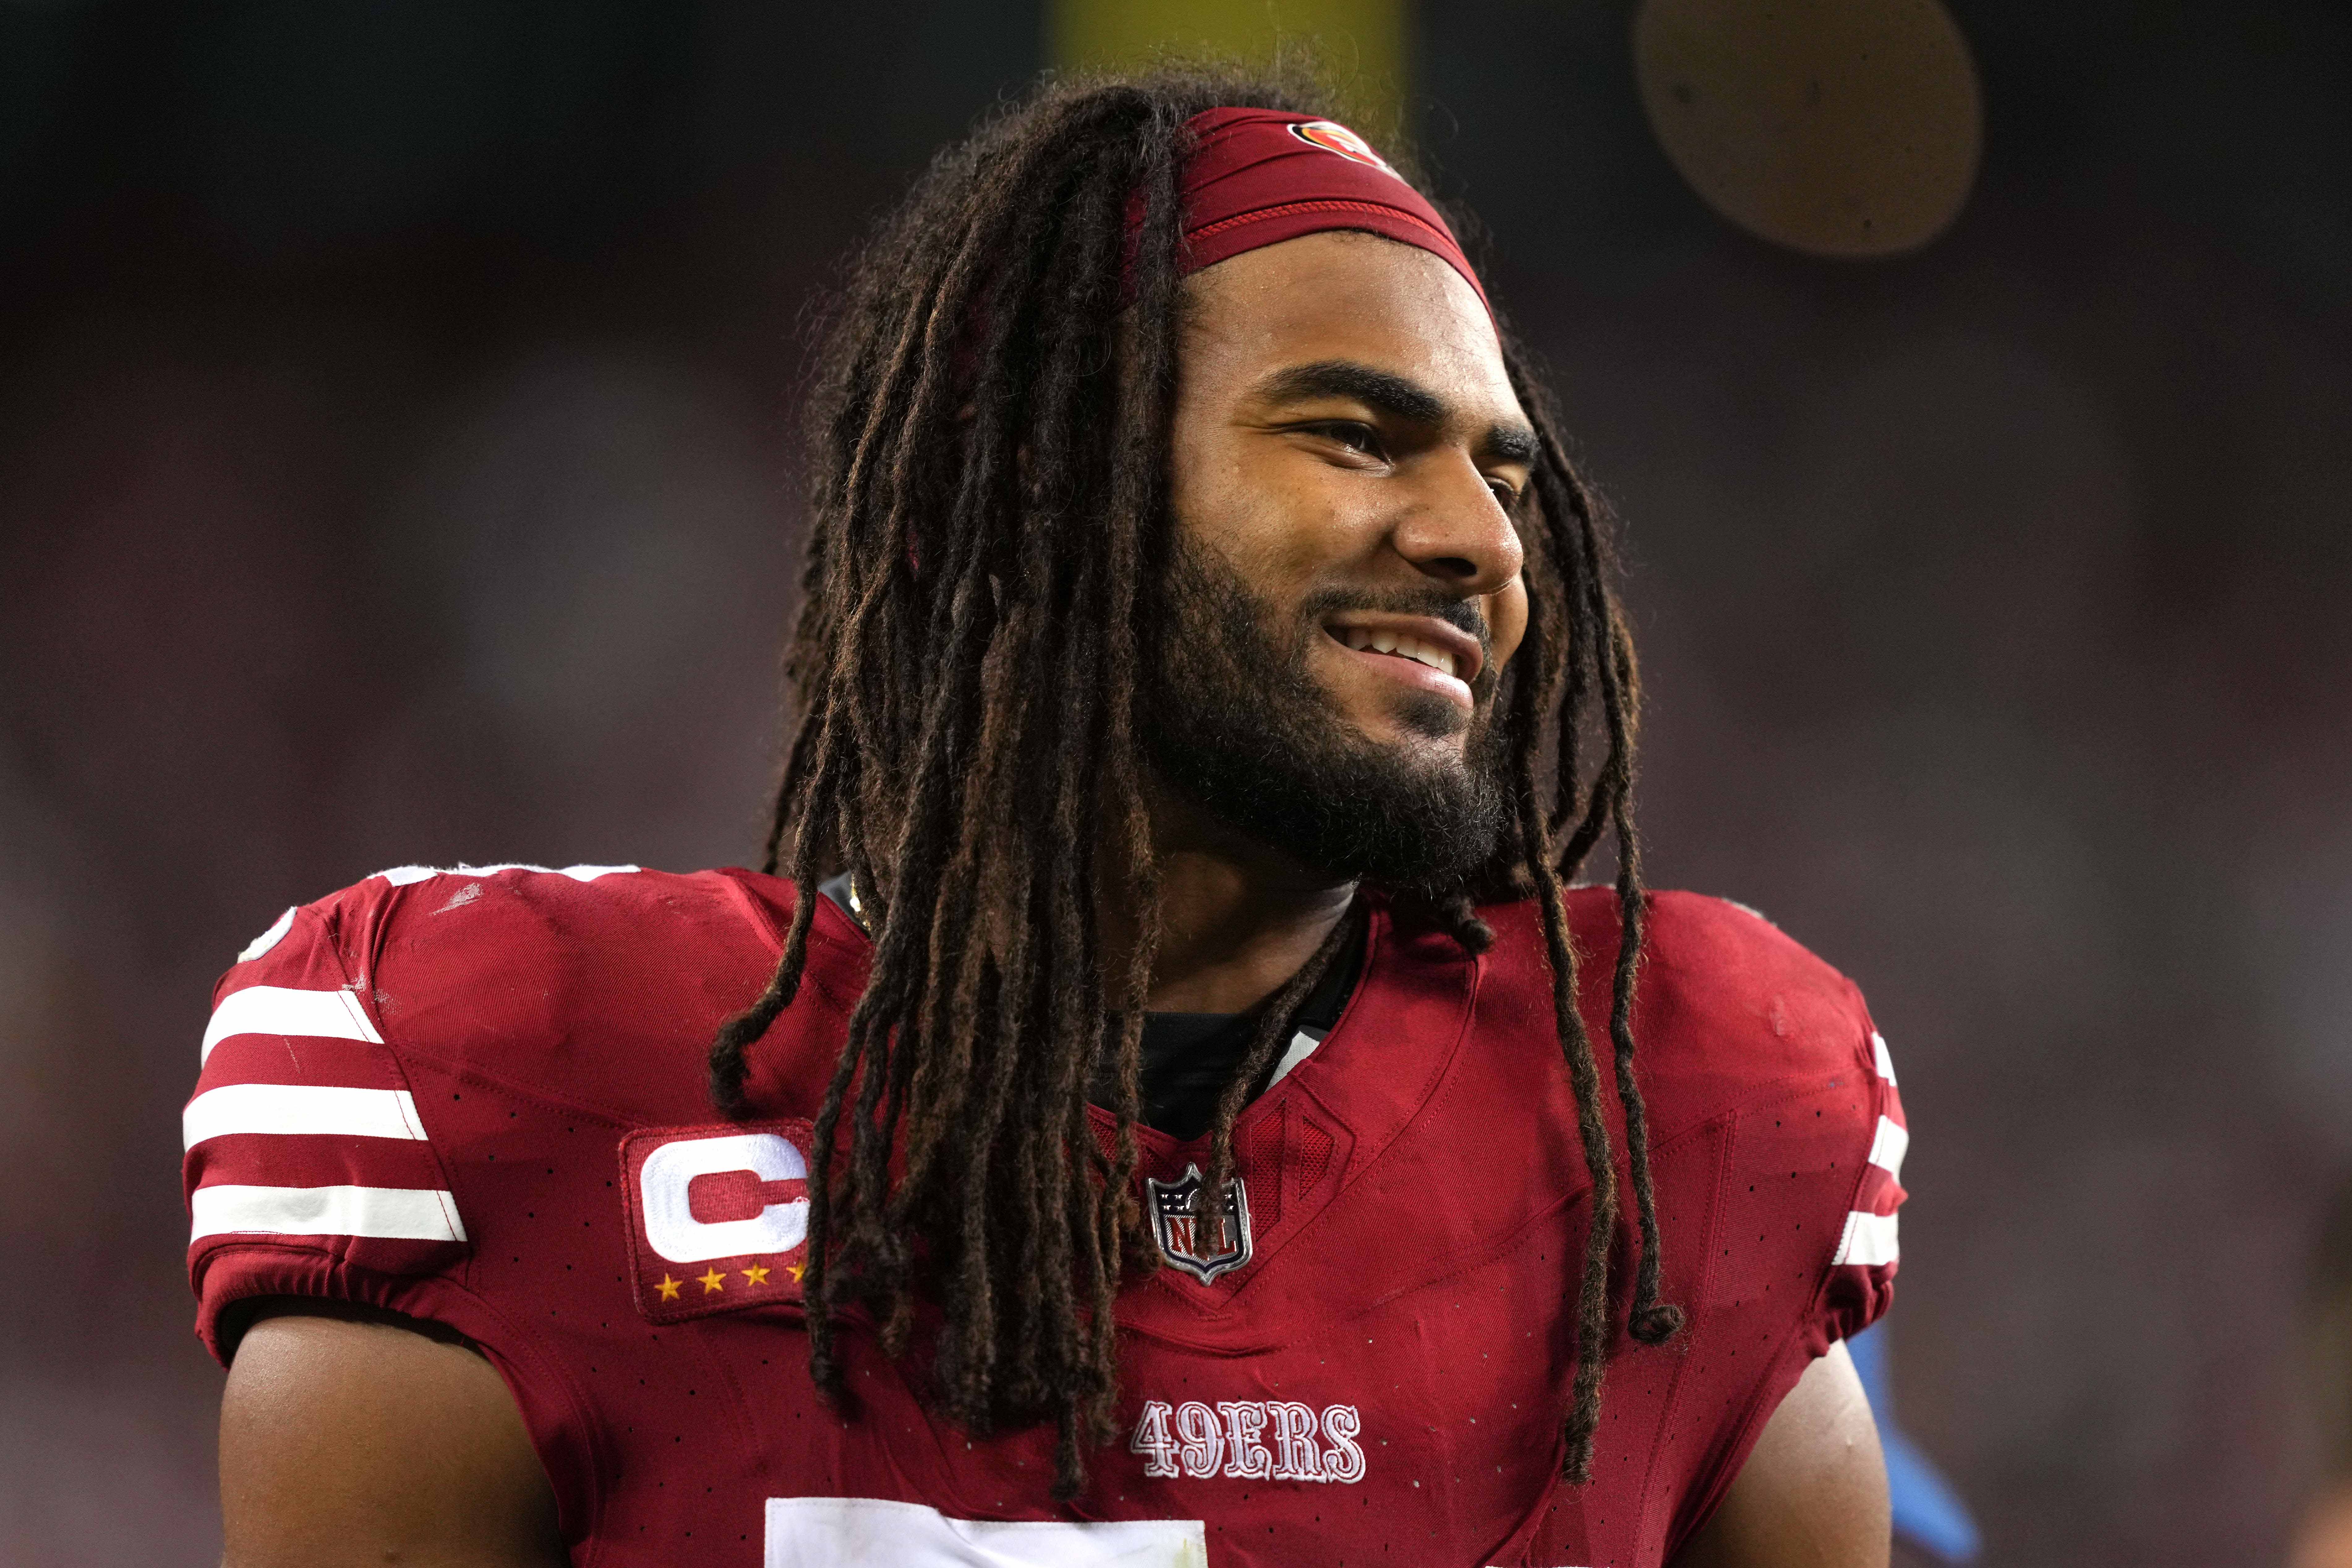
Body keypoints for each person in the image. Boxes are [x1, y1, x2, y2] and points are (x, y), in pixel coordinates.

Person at [184, 69, 1906, 1567]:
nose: (1481, 543)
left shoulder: (1680, 1116)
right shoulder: (502, 1079)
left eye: (1502, 473)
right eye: (1358, 439)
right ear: (1044, 486)